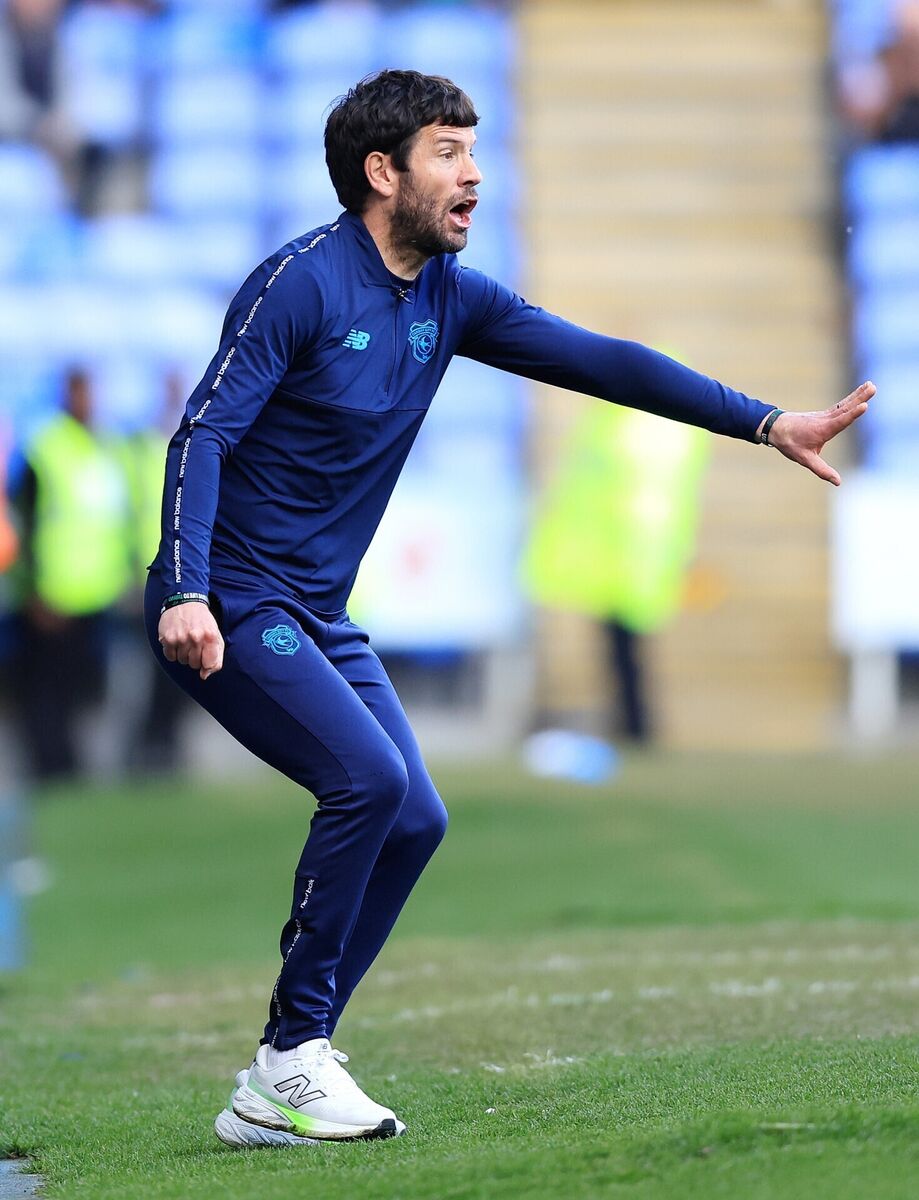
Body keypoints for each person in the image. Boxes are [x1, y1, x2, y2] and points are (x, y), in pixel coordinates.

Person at [145, 69, 873, 1149]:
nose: (473, 173)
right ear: (380, 171)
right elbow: (201, 435)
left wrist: (765, 423)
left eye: (474, 150)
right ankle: (290, 1059)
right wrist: (190, 587)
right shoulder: (298, 282)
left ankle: (289, 1064)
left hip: (315, 604)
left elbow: (603, 363)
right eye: (447, 151)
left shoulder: (450, 295)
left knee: (416, 815)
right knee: (369, 779)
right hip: (233, 595)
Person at [15, 367, 132, 781]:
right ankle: (50, 768)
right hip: (53, 596)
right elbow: (24, 522)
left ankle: (70, 765)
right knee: (47, 693)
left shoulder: (104, 446)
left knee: (84, 689)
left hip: (97, 593)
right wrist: (33, 589)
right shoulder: (46, 446)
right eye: (80, 392)